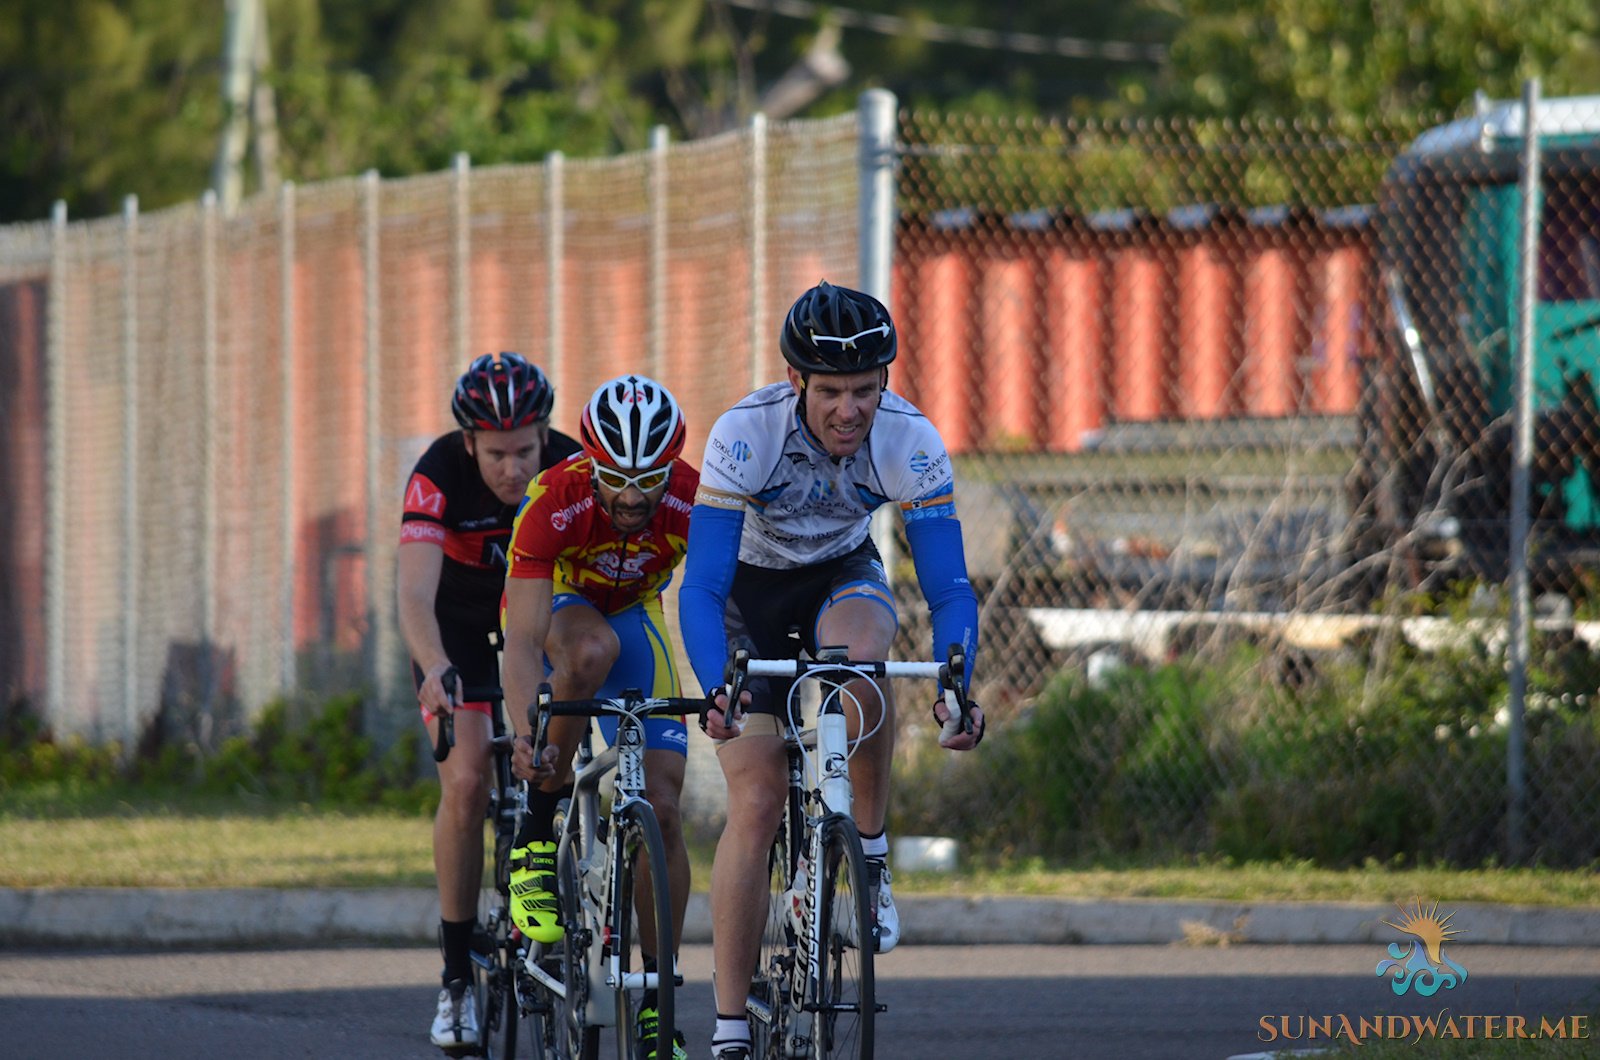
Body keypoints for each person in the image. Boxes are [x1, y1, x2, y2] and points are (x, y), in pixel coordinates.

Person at [678, 280, 987, 1060]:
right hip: (746, 590)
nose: (849, 410)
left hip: (839, 573)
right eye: (830, 393)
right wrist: (720, 683)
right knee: (756, 799)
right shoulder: (745, 435)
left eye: (865, 391)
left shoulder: (910, 439)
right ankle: (729, 1026)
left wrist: (958, 683)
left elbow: (949, 587)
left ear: (884, 383)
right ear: (796, 385)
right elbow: (705, 586)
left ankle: (867, 856)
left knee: (863, 661)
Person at [502, 374, 699, 1060]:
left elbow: (714, 603)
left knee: (666, 808)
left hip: (638, 614)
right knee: (588, 649)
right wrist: (529, 730)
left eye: (649, 477)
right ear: (591, 462)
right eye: (615, 476)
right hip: (563, 609)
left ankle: (655, 1000)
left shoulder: (691, 499)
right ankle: (534, 831)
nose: (632, 495)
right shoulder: (553, 500)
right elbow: (523, 642)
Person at [398, 351, 580, 1054]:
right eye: (498, 454)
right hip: (462, 634)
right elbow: (414, 594)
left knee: (568, 742)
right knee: (469, 780)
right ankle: (453, 982)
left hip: (540, 620)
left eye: (526, 451)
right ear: (469, 442)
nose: (515, 470)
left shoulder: (568, 468)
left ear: (545, 438)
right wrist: (436, 665)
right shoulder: (437, 476)